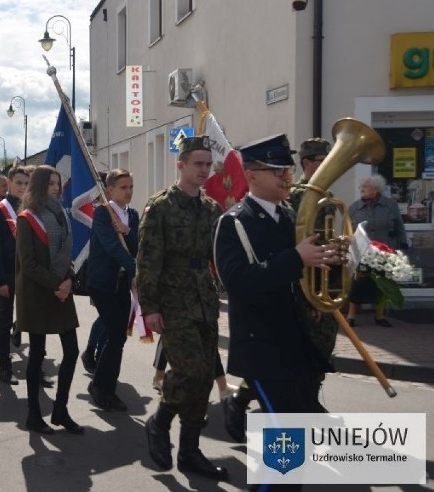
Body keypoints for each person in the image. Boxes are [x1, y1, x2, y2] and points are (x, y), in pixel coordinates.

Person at [213, 134, 333, 487]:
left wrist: (320, 280)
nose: (286, 175)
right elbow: (238, 282)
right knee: (283, 439)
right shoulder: (234, 222)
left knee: (293, 441)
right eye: (277, 168)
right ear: (251, 175)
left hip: (293, 340)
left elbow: (296, 276)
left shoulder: (290, 217)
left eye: (287, 167)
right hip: (260, 345)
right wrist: (296, 258)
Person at [136, 136, 227, 480]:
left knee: (204, 376)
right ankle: (159, 422)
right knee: (189, 371)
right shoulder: (159, 207)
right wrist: (150, 308)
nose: (204, 170)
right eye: (198, 164)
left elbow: (216, 257)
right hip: (172, 301)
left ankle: (190, 451)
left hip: (203, 299)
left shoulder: (211, 208)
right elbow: (146, 262)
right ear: (182, 165)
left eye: (208, 164)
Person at [15, 165, 82, 435]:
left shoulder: (61, 214)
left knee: (72, 351)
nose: (57, 188)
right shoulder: (26, 218)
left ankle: (61, 410)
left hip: (61, 288)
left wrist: (68, 281)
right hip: (37, 292)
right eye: (51, 183)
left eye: (58, 183)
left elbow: (66, 253)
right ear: (40, 185)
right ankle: (33, 414)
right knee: (37, 355)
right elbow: (28, 264)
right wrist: (58, 284)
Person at [85, 169, 139, 412]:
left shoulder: (133, 215)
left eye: (130, 187)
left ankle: (106, 385)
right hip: (102, 283)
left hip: (122, 285)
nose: (128, 192)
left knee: (118, 336)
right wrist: (136, 268)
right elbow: (111, 247)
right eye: (122, 188)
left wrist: (129, 232)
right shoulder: (102, 214)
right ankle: (101, 387)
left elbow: (136, 246)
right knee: (116, 334)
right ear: (109, 191)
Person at [0, 165, 30, 385]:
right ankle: (5, 368)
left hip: (29, 275)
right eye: (18, 183)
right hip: (7, 276)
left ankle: (35, 369)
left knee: (32, 319)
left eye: (25, 183)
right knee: (5, 320)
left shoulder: (32, 208)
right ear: (9, 183)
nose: (22, 187)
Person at [346, 174, 407, 327]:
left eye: (364, 187)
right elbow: (348, 231)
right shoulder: (354, 207)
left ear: (375, 190)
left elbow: (399, 226)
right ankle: (351, 316)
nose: (361, 189)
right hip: (363, 252)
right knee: (358, 285)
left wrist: (403, 245)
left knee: (383, 284)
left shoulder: (390, 205)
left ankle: (379, 316)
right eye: (361, 187)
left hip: (385, 250)